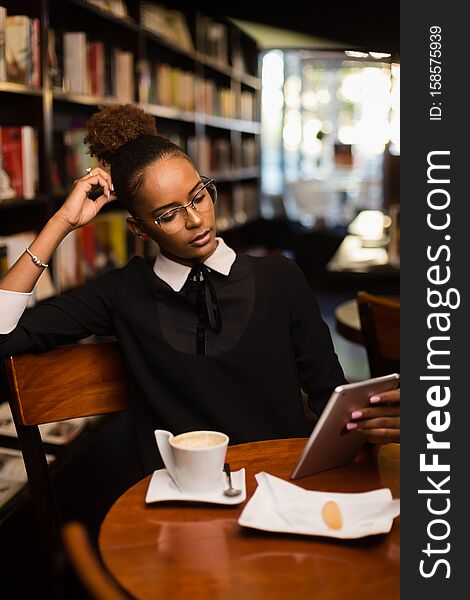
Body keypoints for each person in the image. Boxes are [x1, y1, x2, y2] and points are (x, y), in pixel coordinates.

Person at [0, 104, 400, 474]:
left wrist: (370, 420)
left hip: (284, 485)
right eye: (169, 214)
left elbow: (331, 396)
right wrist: (62, 223)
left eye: (199, 196)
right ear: (140, 229)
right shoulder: (122, 291)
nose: (195, 220)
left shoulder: (281, 277)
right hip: (181, 501)